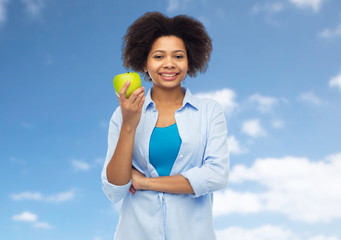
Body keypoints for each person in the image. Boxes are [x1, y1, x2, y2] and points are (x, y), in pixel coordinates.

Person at [101, 11, 229, 240]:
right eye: (159, 56)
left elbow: (216, 175)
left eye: (178, 56)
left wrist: (145, 183)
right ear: (144, 62)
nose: (169, 64)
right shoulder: (122, 115)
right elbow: (115, 189)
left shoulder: (209, 112)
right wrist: (129, 124)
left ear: (189, 62)